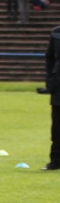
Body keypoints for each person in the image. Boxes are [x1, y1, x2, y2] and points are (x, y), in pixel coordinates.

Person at [43, 25, 60, 170]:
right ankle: (55, 161)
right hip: (58, 86)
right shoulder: (56, 33)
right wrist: (50, 79)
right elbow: (49, 58)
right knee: (57, 127)